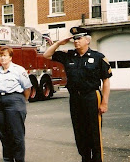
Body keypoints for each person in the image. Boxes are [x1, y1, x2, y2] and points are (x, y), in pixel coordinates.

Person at [43, 27, 112, 162]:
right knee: (79, 131)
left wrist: (104, 102)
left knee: (94, 132)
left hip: (92, 96)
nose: (76, 41)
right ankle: (85, 158)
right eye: (74, 39)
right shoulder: (69, 55)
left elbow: (106, 81)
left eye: (79, 38)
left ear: (87, 40)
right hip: (75, 98)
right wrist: (58, 44)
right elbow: (47, 55)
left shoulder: (98, 57)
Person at [0, 47, 32, 162]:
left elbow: (27, 88)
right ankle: (7, 159)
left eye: (5, 55)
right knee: (4, 134)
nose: (2, 58)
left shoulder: (19, 70)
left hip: (14, 100)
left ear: (10, 57)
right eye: (0, 56)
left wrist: (21, 101)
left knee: (16, 134)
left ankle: (19, 159)